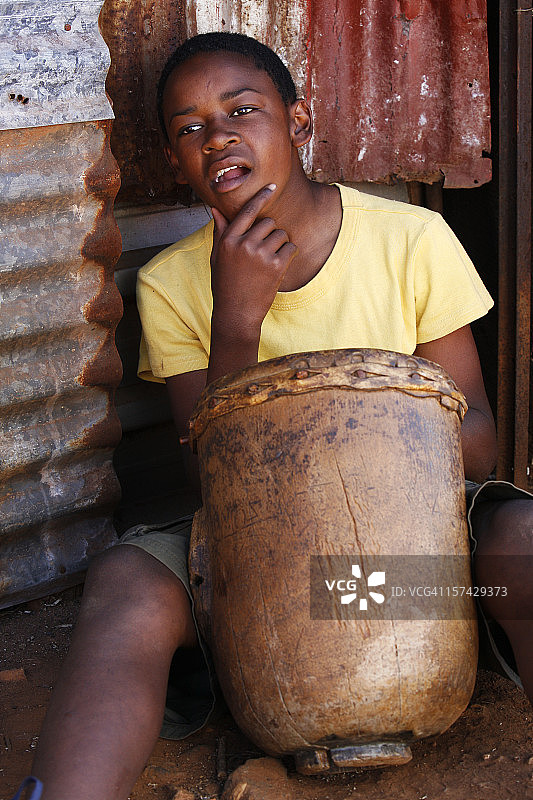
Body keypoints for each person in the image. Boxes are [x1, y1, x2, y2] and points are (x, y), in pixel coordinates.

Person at [28, 31, 533, 800]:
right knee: (128, 583)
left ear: (298, 121)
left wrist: (356, 480)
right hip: (259, 578)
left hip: (408, 572)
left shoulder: (410, 240)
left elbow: (477, 446)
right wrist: (236, 320)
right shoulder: (170, 285)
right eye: (189, 127)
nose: (216, 136)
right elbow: (206, 479)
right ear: (174, 159)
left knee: (520, 538)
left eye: (242, 110)